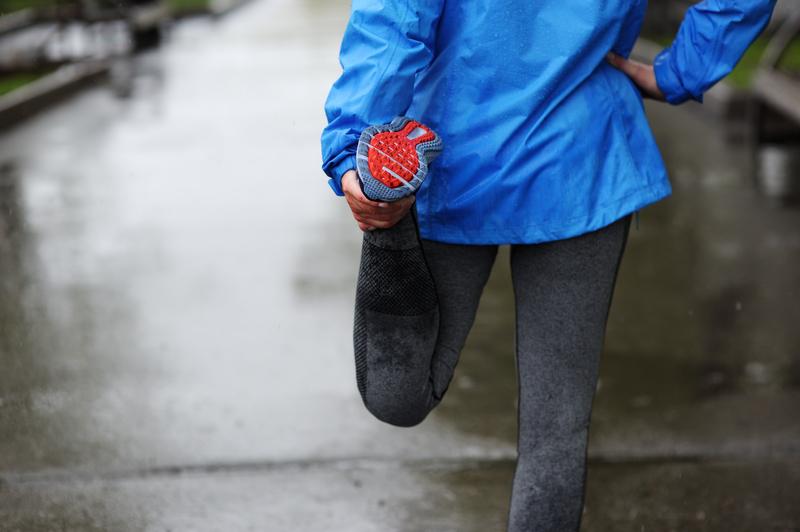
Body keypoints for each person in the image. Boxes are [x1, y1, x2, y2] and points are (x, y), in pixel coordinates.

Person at [321, 0, 777, 530]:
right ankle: (386, 201)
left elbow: (394, 15)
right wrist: (361, 149)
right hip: (452, 161)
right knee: (395, 395)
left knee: (556, 432)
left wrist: (684, 70)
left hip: (578, 159)